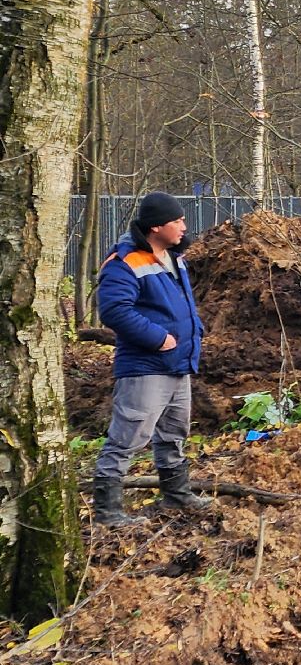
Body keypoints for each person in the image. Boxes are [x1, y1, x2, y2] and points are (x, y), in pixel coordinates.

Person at [92, 191, 213, 526]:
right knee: (128, 436)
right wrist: (158, 338)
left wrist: (194, 331)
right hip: (145, 367)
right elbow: (114, 311)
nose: (184, 226)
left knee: (174, 433)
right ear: (156, 227)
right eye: (177, 221)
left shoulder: (174, 257)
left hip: (178, 364)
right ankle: (108, 511)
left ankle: (176, 495)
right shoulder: (125, 261)